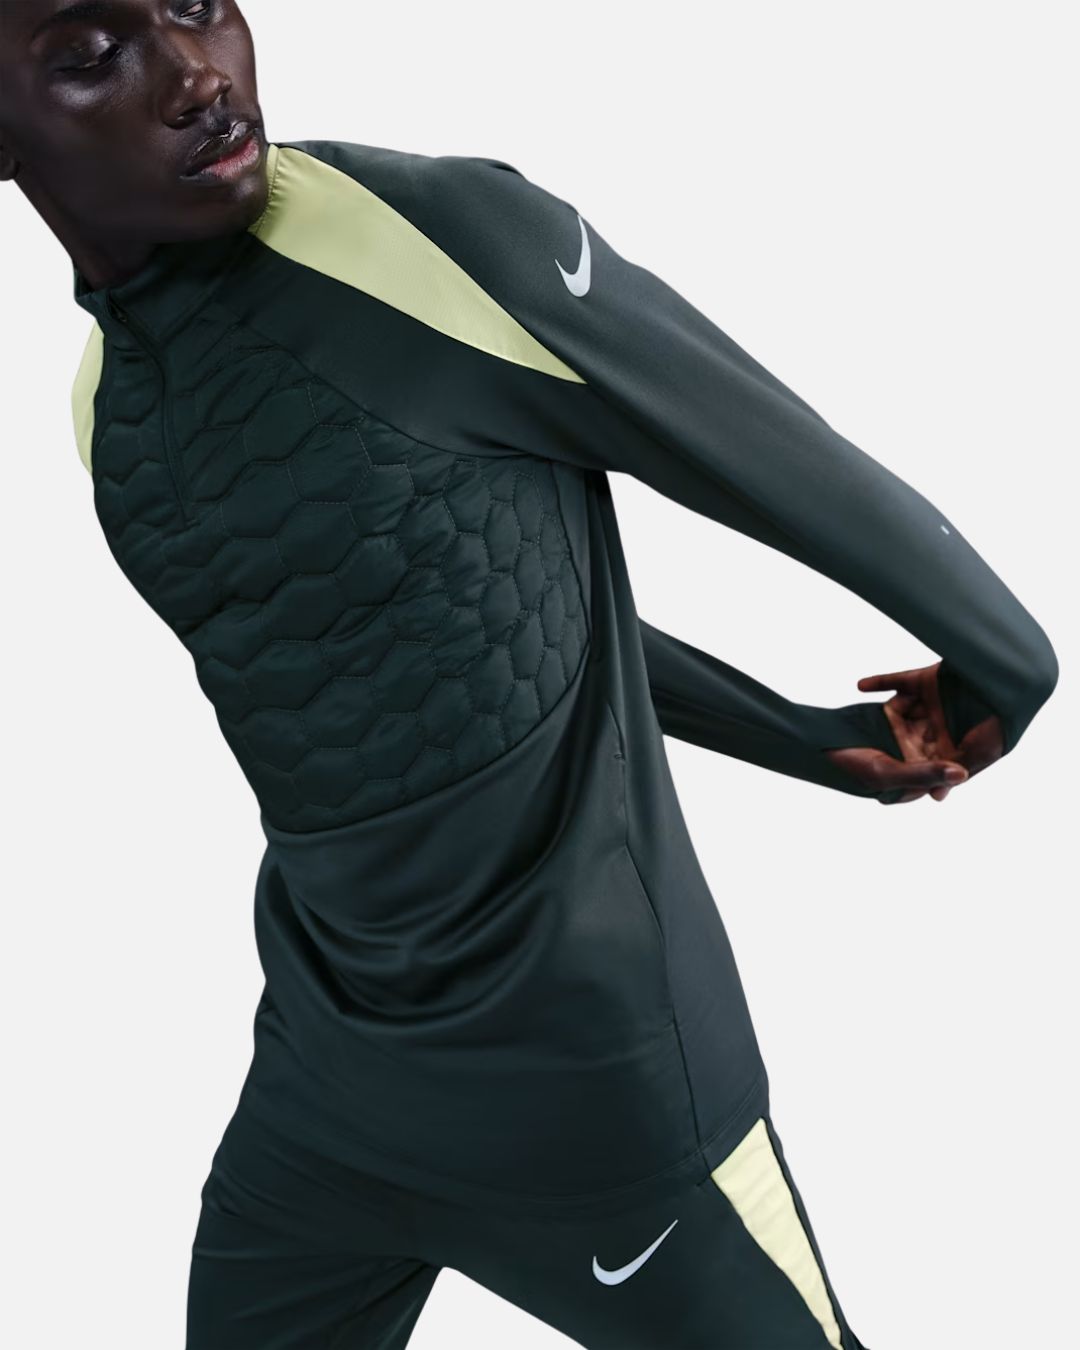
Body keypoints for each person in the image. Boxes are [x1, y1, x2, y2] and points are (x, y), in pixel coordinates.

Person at [1, 3, 1059, 1347]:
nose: (197, 74)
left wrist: (1003, 665)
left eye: (200, 4)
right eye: (93, 57)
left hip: (603, 1094)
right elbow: (459, 627)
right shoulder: (107, 406)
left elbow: (778, 458)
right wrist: (798, 736)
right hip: (329, 1092)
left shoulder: (436, 240)